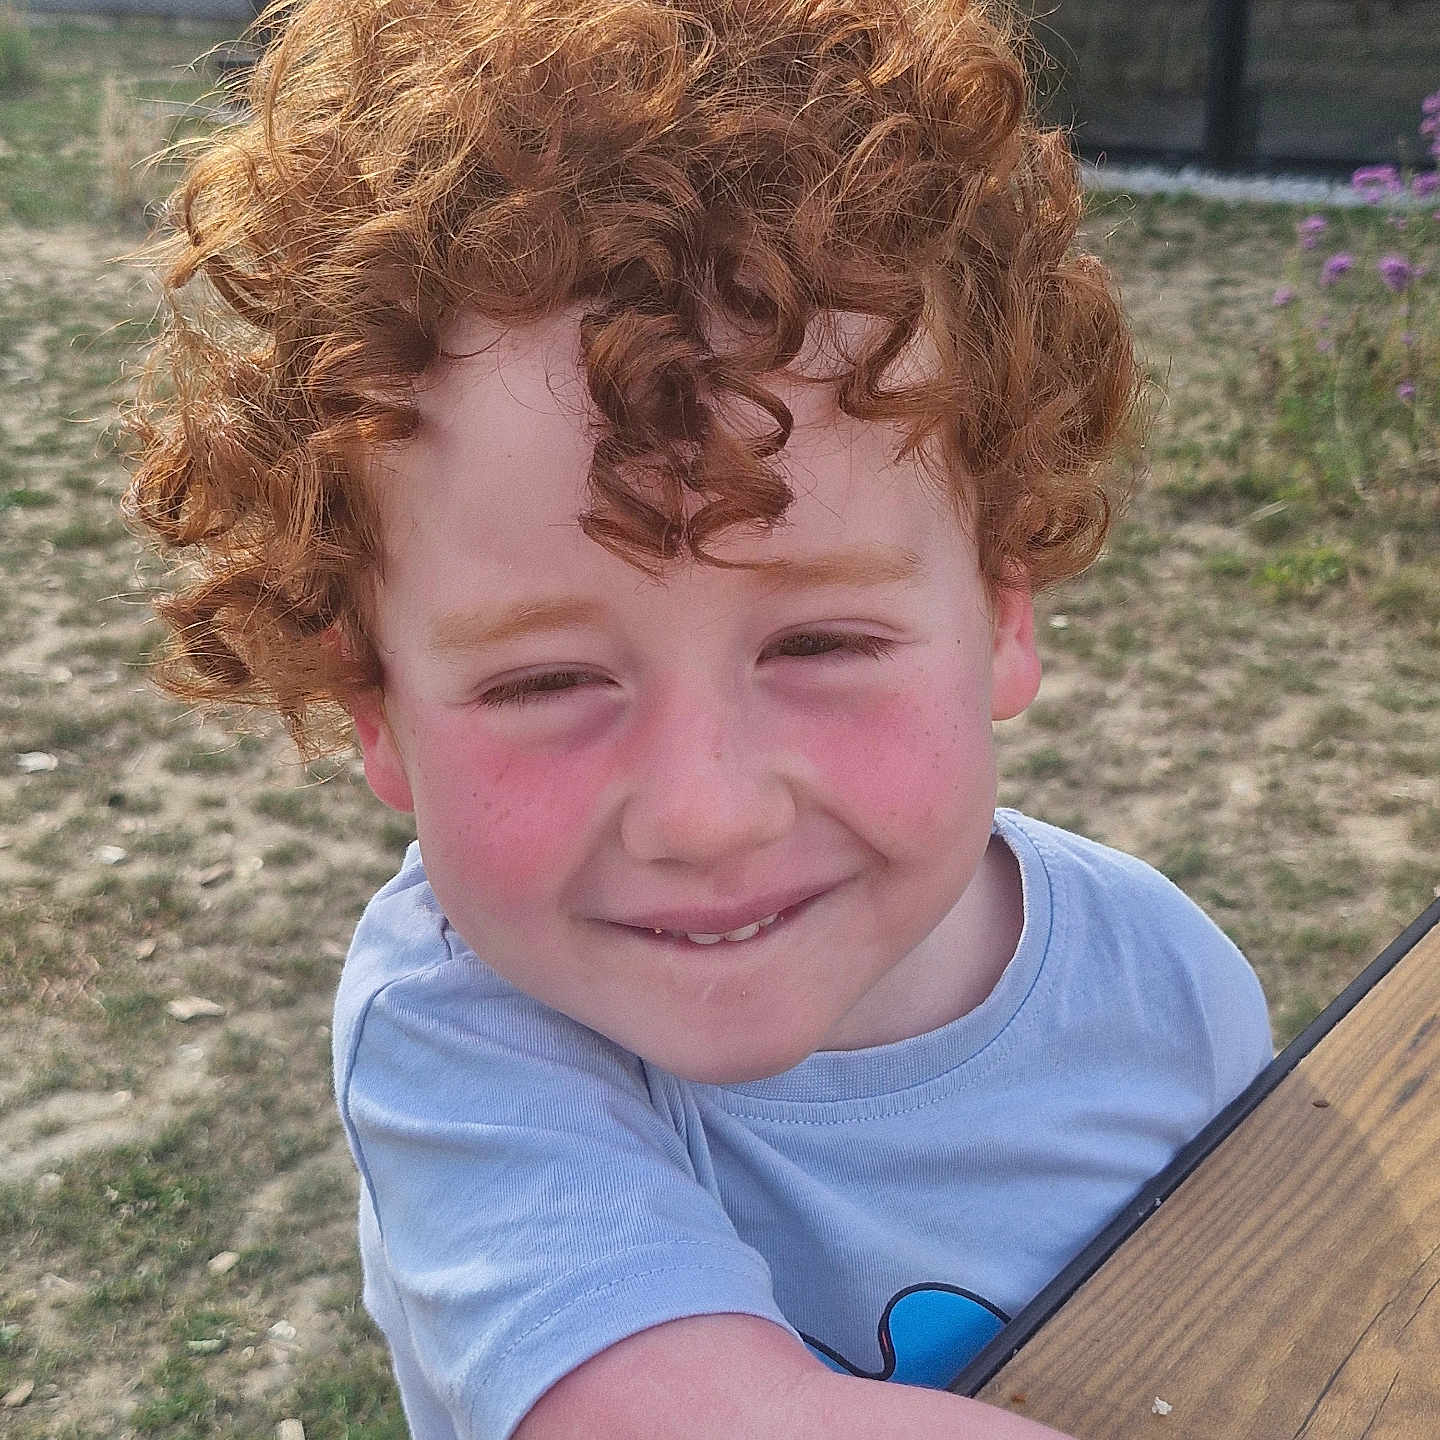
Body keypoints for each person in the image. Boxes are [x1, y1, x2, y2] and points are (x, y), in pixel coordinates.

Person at [126, 0, 1273, 1435]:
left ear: (1003, 613)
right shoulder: (466, 1046)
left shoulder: (1172, 984)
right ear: (380, 711)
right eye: (544, 681)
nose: (703, 810)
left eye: (822, 638)